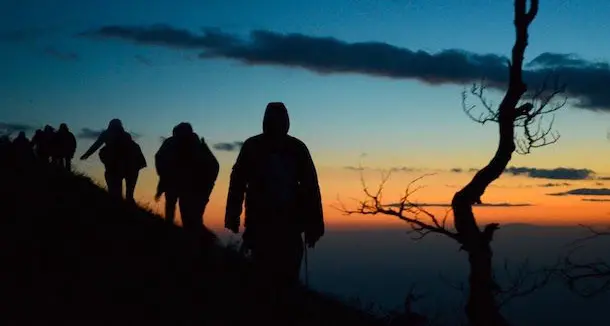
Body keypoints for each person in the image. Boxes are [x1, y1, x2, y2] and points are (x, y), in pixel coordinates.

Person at [224, 102, 324, 319]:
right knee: (274, 276)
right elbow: (310, 187)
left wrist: (314, 224)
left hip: (278, 224)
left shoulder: (259, 146)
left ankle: (273, 313)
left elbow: (310, 187)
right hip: (271, 225)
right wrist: (314, 225)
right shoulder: (293, 147)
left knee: (274, 276)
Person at [155, 123, 219, 239]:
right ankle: (173, 235)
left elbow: (212, 168)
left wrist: (204, 190)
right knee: (177, 210)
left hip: (191, 187)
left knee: (189, 217)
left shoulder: (197, 146)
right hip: (177, 184)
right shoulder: (173, 144)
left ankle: (199, 240)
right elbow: (161, 161)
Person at [80, 119, 146, 202]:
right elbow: (97, 145)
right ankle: (127, 209)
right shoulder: (126, 136)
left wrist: (87, 154)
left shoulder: (107, 134)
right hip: (131, 166)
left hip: (120, 165)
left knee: (117, 193)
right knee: (128, 195)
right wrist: (87, 154)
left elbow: (97, 145)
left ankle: (121, 208)